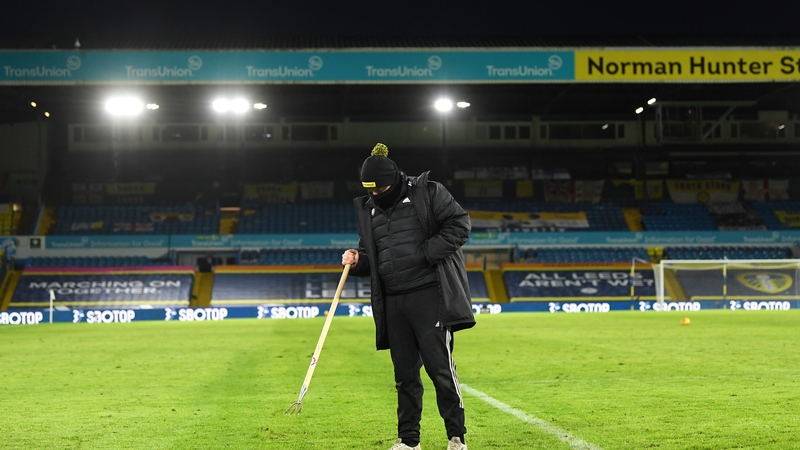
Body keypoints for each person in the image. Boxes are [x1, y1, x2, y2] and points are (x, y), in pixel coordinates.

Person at [342, 143, 475, 450]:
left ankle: (456, 437)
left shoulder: (427, 192)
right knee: (404, 376)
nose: (376, 195)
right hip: (393, 302)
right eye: (370, 191)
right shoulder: (367, 208)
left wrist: (426, 253)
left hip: (430, 296)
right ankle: (408, 441)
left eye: (381, 189)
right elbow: (372, 256)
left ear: (395, 179)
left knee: (440, 370)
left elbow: (460, 224)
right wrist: (356, 259)